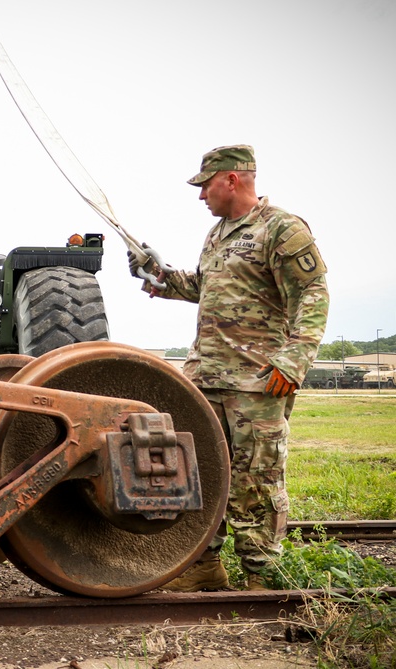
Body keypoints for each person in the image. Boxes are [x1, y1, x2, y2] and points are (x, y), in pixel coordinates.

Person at [128, 145, 329, 591]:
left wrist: (294, 360)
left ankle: (261, 576)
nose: (201, 196)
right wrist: (160, 276)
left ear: (232, 179)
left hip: (256, 382)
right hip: (206, 378)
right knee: (205, 474)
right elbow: (207, 287)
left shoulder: (281, 228)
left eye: (205, 186)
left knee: (255, 478)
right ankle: (204, 565)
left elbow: (312, 294)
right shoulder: (218, 234)